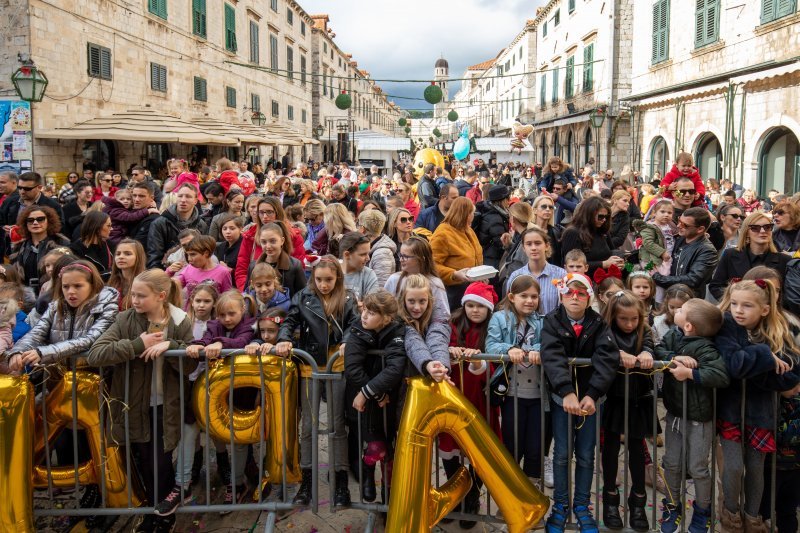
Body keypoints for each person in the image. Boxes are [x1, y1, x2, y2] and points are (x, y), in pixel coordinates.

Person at [86, 269, 195, 533]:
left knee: (160, 460)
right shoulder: (125, 320)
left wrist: (171, 346)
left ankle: (163, 516)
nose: (134, 299)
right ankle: (153, 510)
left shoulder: (180, 320)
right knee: (144, 461)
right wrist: (137, 344)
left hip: (165, 403)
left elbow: (191, 363)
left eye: (140, 295)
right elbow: (95, 354)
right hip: (134, 403)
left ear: (161, 296)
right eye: (133, 294)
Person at [714, 280, 800, 533]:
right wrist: (765, 357)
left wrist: (753, 363)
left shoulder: (777, 328)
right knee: (733, 466)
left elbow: (791, 375)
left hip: (762, 412)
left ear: (764, 309)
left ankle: (753, 518)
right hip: (730, 411)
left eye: (747, 305)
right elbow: (733, 365)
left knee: (755, 468)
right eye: (735, 304)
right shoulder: (727, 326)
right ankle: (730, 514)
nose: (738, 310)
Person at [276, 257, 359, 508]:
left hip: (336, 365)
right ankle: (307, 479)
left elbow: (355, 324)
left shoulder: (347, 297)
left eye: (329, 280)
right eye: (319, 279)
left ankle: (340, 478)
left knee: (337, 424)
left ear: (337, 279)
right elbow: (289, 320)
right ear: (313, 277)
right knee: (308, 427)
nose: (324, 284)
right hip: (309, 366)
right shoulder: (303, 296)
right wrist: (284, 338)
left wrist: (348, 341)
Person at [541, 273, 619, 533]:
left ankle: (582, 505)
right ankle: (561, 504)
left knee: (586, 455)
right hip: (561, 399)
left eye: (581, 293)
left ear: (589, 298)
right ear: (561, 296)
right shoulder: (552, 321)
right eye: (569, 293)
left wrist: (593, 393)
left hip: (590, 401)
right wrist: (566, 392)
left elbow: (607, 358)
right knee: (562, 454)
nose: (575, 298)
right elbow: (552, 356)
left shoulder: (599, 324)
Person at [655, 298, 729, 533]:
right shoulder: (673, 336)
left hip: (699, 418)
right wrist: (673, 359)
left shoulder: (707, 347)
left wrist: (690, 374)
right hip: (675, 413)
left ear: (689, 326)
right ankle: (672, 506)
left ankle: (702, 510)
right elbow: (659, 349)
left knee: (698, 467)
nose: (677, 310)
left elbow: (720, 375)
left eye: (682, 310)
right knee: (672, 464)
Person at [184, 290, 255, 510]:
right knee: (218, 431)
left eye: (231, 314)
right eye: (222, 315)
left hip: (242, 391)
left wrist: (219, 344)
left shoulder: (249, 324)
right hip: (216, 392)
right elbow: (205, 340)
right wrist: (197, 345)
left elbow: (243, 341)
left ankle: (237, 482)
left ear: (242, 310)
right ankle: (231, 478)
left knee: (241, 439)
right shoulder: (214, 325)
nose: (226, 319)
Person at [599, 291, 656, 532]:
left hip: (639, 399)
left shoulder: (645, 332)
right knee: (610, 452)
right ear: (614, 316)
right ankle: (610, 500)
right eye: (624, 319)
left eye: (634, 319)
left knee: (637, 451)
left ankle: (638, 501)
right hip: (613, 399)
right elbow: (599, 349)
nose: (630, 324)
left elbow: (652, 347)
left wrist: (647, 353)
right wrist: (616, 354)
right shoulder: (606, 332)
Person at [344, 290, 406, 503]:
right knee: (376, 447)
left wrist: (369, 391)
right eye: (365, 310)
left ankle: (388, 496)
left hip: (391, 402)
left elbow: (395, 367)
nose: (364, 316)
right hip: (366, 405)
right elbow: (352, 369)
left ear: (387, 318)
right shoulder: (358, 331)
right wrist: (375, 393)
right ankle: (368, 470)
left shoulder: (397, 332)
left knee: (390, 451)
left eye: (371, 313)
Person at [487, 276, 544, 483]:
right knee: (512, 443)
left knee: (535, 446)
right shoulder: (499, 318)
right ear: (511, 297)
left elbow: (549, 343)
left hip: (538, 395)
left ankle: (531, 491)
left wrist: (537, 350)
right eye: (524, 296)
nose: (529, 300)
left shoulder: (542, 321)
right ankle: (511, 489)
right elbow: (491, 345)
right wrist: (509, 349)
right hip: (512, 394)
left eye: (534, 296)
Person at [709, 212, 790, 301]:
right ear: (746, 232)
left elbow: (789, 294)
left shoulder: (785, 260)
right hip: (737, 312)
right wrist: (733, 302)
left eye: (767, 227)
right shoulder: (730, 255)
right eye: (755, 228)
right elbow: (716, 286)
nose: (763, 231)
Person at [652, 207, 719, 299]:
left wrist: (657, 277)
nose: (679, 225)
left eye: (684, 225)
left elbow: (692, 280)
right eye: (679, 220)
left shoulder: (708, 251)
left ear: (700, 229)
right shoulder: (679, 238)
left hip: (688, 303)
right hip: (669, 298)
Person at [430, 197, 483, 310]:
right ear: (466, 214)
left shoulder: (468, 230)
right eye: (472, 213)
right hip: (452, 293)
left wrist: (481, 276)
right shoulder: (443, 233)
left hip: (471, 289)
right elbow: (431, 265)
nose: (474, 216)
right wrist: (453, 274)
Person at [560, 196, 624, 279]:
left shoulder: (602, 231)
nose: (604, 220)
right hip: (582, 282)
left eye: (606, 217)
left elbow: (611, 252)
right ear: (589, 215)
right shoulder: (573, 233)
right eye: (600, 216)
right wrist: (604, 264)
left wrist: (617, 263)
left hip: (605, 281)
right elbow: (572, 265)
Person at [11, 205, 70, 294]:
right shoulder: (19, 247)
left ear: (48, 221)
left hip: (53, 292)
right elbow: (15, 276)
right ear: (25, 224)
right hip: (26, 294)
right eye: (30, 220)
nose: (35, 223)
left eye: (40, 219)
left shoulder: (61, 243)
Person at [147, 184, 208, 269]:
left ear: (195, 201)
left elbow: (204, 255)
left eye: (188, 196)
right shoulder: (160, 223)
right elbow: (154, 256)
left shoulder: (202, 225)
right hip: (167, 273)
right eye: (180, 196)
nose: (183, 200)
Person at [506, 226, 567, 311]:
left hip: (553, 323)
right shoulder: (516, 276)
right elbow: (510, 307)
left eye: (538, 243)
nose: (533, 248)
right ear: (523, 248)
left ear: (547, 246)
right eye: (529, 244)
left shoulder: (561, 275)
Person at [173, 235, 232, 306]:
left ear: (206, 253)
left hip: (213, 315)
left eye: (193, 254)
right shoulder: (188, 269)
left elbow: (227, 299)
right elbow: (172, 287)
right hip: (191, 315)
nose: (189, 259)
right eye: (187, 255)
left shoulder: (223, 272)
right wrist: (169, 271)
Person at [254, 223, 306, 298]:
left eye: (272, 241)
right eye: (264, 242)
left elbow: (302, 295)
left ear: (282, 241)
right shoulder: (254, 266)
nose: (268, 246)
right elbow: (249, 292)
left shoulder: (294, 265)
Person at [474, 184, 512, 271]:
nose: (509, 201)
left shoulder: (490, 210)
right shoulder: (495, 218)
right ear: (502, 200)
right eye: (508, 198)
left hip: (487, 256)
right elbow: (500, 243)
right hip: (492, 260)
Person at [69, 210, 113, 281]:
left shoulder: (111, 245)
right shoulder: (75, 249)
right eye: (108, 226)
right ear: (97, 227)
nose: (111, 228)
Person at [359, 209, 396, 288]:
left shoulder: (382, 253)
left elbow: (380, 286)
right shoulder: (373, 246)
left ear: (363, 228)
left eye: (358, 225)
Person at [108, 239, 146, 311]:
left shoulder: (146, 283)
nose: (121, 257)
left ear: (138, 257)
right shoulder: (110, 281)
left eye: (128, 254)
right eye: (118, 254)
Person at [339, 232, 379, 302]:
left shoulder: (368, 275)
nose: (368, 258)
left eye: (368, 254)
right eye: (363, 254)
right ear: (347, 255)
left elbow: (371, 306)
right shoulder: (331, 272)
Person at [214, 214, 243, 280]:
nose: (228, 232)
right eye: (224, 229)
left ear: (240, 229)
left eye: (232, 228)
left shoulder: (244, 246)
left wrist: (229, 270)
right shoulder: (221, 247)